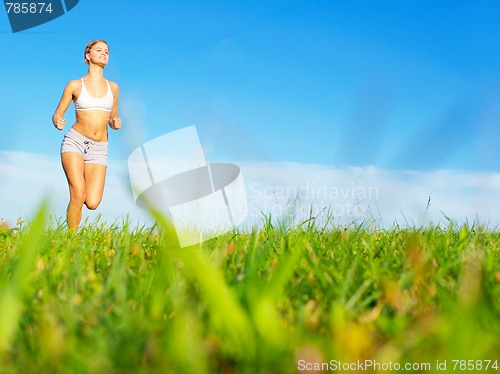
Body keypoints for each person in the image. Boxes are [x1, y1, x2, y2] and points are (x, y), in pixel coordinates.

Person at [52, 40, 122, 230]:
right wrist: (58, 120)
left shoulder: (113, 88)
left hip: (99, 148)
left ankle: (72, 223)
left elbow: (113, 117)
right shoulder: (75, 85)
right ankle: (71, 240)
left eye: (107, 51)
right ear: (87, 55)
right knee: (78, 192)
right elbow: (58, 112)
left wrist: (116, 122)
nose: (104, 53)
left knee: (92, 201)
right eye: (99, 50)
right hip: (75, 142)